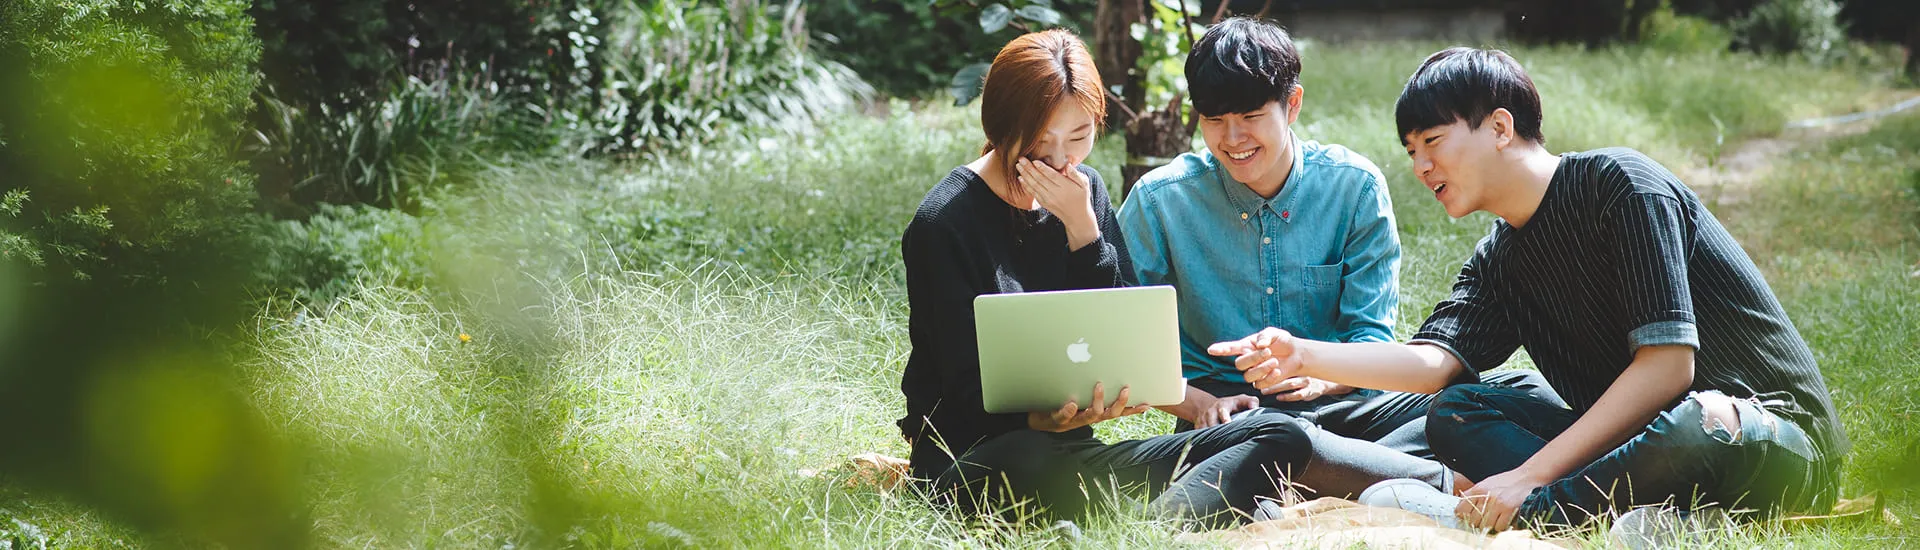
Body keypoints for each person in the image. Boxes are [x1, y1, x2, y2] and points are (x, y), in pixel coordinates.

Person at [1210, 47, 1849, 532]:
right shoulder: (1501, 255)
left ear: (1499, 127)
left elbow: (1668, 370)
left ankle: (1520, 513)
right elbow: (1433, 365)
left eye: (1432, 141)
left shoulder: (1621, 185)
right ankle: (1629, 516)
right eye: (1410, 151)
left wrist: (1527, 476)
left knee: (1694, 423)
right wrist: (1305, 354)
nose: (1420, 166)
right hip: (1637, 446)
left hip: (1764, 434)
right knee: (1460, 410)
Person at [1118, 17, 1561, 501]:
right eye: (1214, 120)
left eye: (1249, 116)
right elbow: (1123, 344)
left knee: (1492, 400)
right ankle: (1394, 477)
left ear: (1292, 105)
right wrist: (1202, 404)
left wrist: (1321, 378)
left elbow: (1369, 335)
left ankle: (1330, 472)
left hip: (1346, 408)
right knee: (1265, 442)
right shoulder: (1161, 200)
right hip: (1230, 423)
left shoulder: (1354, 188)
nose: (1232, 137)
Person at [896, 29, 1310, 527]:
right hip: (979, 458)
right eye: (1039, 139)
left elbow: (1126, 334)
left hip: (1073, 457)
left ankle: (1145, 527)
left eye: (1078, 137)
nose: (1058, 158)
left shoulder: (1085, 191)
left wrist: (1084, 231)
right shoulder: (943, 222)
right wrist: (1035, 420)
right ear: (1000, 125)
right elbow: (957, 389)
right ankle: (1157, 520)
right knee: (1026, 458)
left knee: (1282, 435)